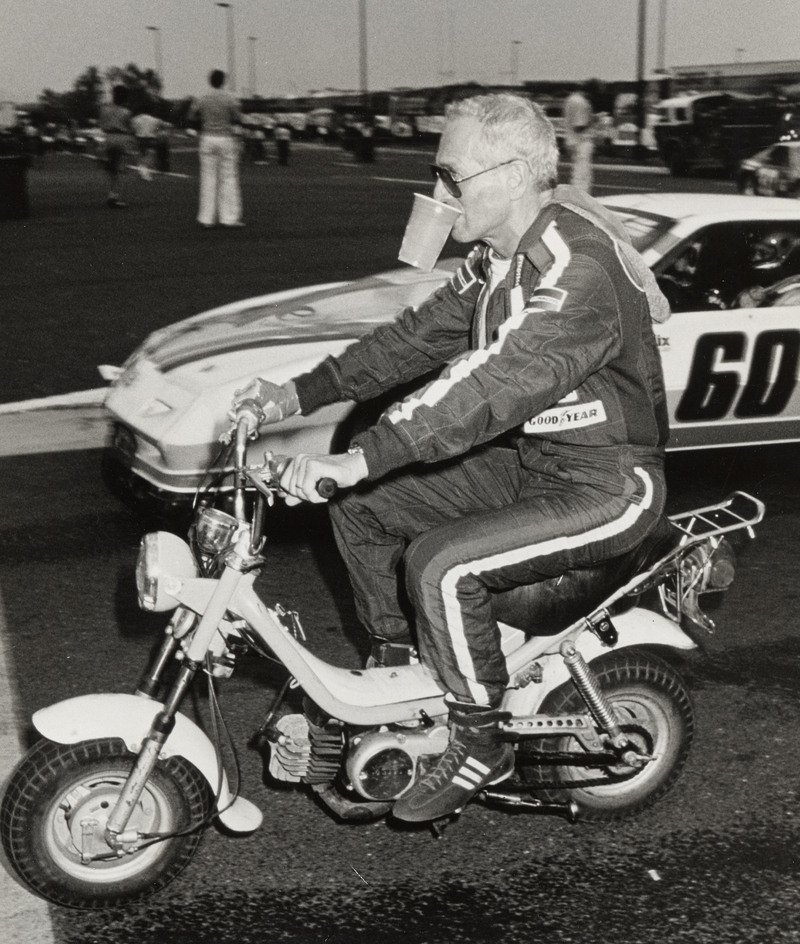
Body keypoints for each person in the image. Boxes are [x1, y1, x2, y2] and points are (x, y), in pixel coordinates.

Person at [232, 93, 671, 823]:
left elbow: (489, 385)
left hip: (609, 483)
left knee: (441, 562)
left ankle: (479, 738)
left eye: (450, 174)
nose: (438, 193)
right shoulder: (493, 262)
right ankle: (406, 667)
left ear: (513, 174)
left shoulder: (578, 271)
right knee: (361, 511)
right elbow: (410, 342)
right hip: (534, 466)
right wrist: (293, 394)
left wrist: (364, 454)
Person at [188, 70, 243, 227]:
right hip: (225, 137)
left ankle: (206, 218)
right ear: (223, 81)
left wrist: (204, 119)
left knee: (208, 178)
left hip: (207, 137)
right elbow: (237, 117)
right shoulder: (231, 97)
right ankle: (229, 218)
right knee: (228, 177)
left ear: (209, 81)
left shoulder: (201, 97)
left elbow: (192, 116)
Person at [98, 85, 133, 208]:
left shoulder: (104, 109)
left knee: (111, 170)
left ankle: (111, 194)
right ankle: (114, 196)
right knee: (119, 169)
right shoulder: (126, 112)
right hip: (122, 138)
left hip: (109, 137)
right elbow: (129, 127)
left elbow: (101, 126)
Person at [563, 86, 595, 193]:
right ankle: (581, 200)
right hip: (581, 141)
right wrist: (593, 119)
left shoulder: (569, 100)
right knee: (582, 175)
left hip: (572, 140)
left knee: (577, 174)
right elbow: (579, 126)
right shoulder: (582, 102)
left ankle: (577, 197)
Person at [131, 108, 162, 181]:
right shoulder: (155, 120)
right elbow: (157, 130)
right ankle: (144, 170)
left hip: (139, 138)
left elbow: (133, 129)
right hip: (150, 138)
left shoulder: (135, 119)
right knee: (149, 154)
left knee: (142, 154)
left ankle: (143, 169)